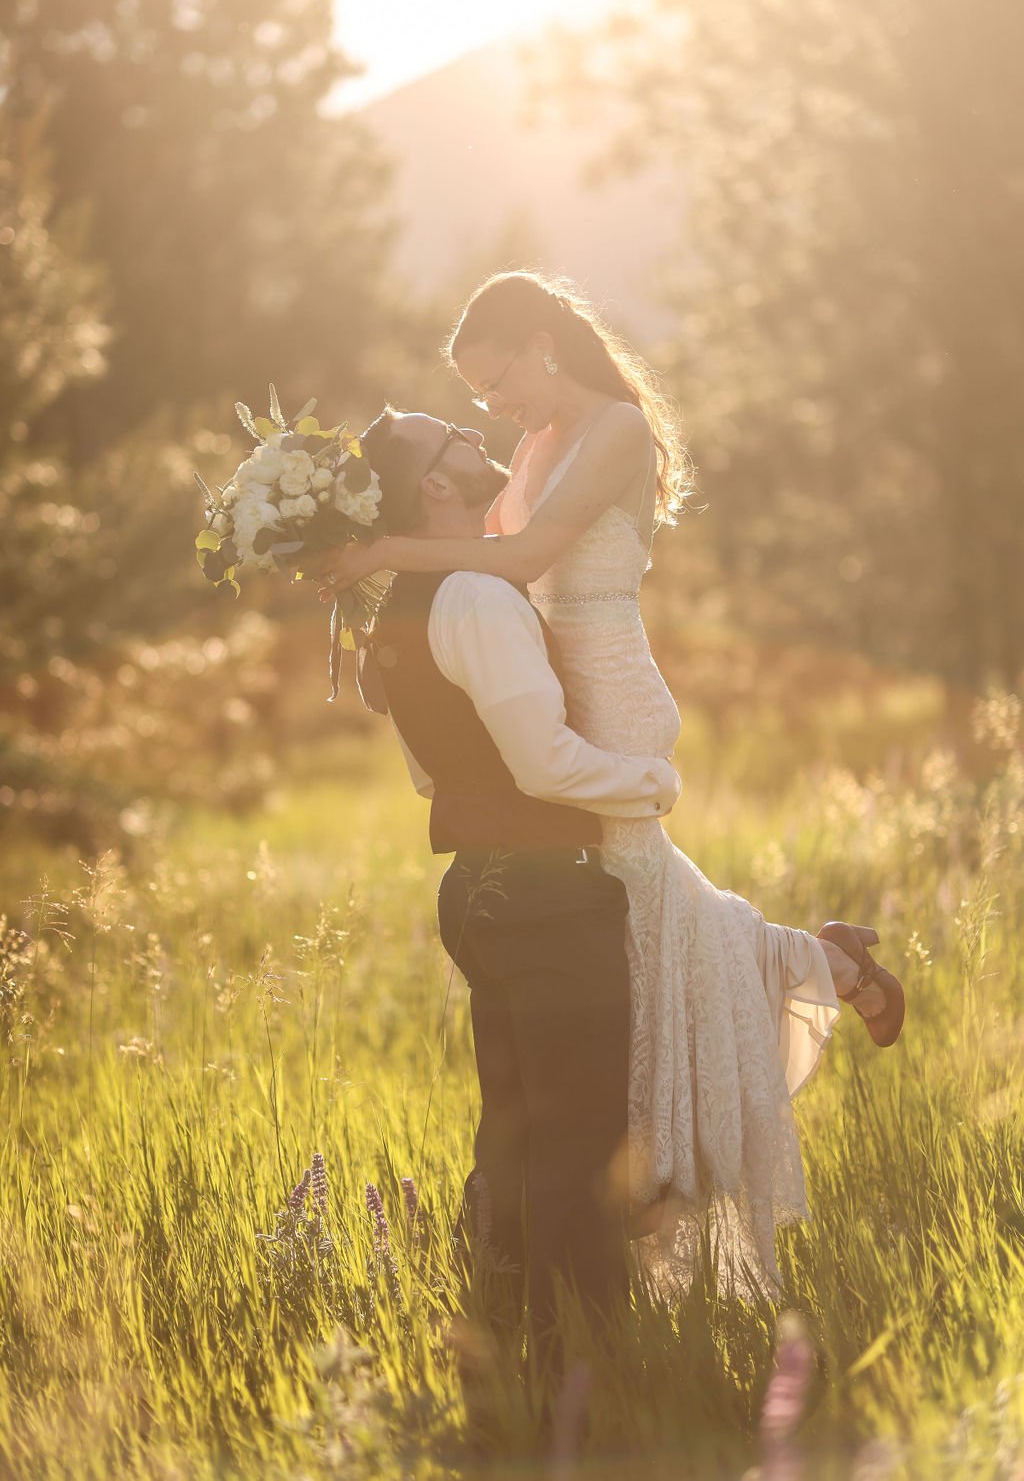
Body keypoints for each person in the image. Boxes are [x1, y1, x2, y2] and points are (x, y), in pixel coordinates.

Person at [314, 271, 906, 1294]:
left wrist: (371, 551)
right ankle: (827, 968)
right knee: (662, 928)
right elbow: (469, 559)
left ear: (543, 342)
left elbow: (525, 553)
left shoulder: (615, 430)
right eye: (481, 400)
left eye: (498, 384)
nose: (494, 412)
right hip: (554, 695)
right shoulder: (533, 445)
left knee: (652, 934)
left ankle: (653, 1169)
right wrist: (377, 593)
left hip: (612, 697)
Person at [316, 410, 682, 1365]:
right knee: (582, 1140)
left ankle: (511, 1345)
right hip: (547, 895)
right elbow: (545, 762)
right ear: (437, 485)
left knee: (518, 1138)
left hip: (477, 893)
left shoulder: (399, 609)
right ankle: (589, 1363)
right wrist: (654, 784)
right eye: (457, 441)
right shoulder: (475, 596)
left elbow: (430, 776)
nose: (481, 441)